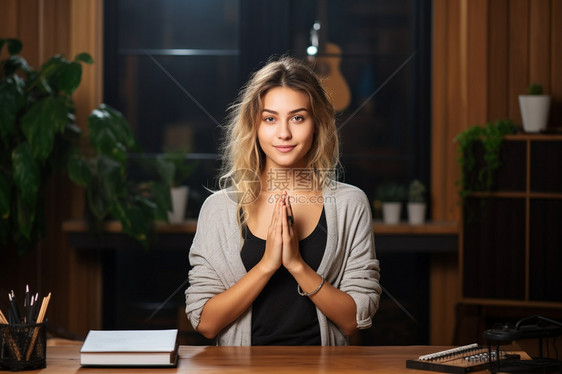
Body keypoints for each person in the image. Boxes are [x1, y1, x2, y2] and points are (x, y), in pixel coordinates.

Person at [185, 56, 381, 346]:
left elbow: (353, 321)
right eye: (270, 118)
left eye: (298, 117)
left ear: (317, 124)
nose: (284, 133)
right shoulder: (219, 209)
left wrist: (297, 265)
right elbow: (205, 322)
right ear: (254, 126)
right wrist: (267, 265)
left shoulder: (350, 203)